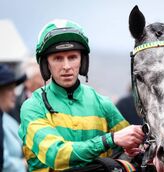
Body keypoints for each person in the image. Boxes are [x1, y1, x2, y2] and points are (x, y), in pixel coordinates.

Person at [18, 19, 144, 172]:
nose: (66, 66)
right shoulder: (33, 107)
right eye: (58, 58)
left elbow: (131, 143)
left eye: (72, 57)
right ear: (46, 64)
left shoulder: (102, 103)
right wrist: (109, 140)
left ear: (82, 61)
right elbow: (57, 155)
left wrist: (136, 145)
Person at [0, 64, 27, 172]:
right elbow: (4, 163)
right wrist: (24, 163)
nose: (14, 94)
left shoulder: (7, 118)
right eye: (10, 89)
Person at [9, 58, 44, 123]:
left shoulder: (50, 99)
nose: (43, 82)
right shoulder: (14, 103)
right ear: (28, 82)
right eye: (40, 77)